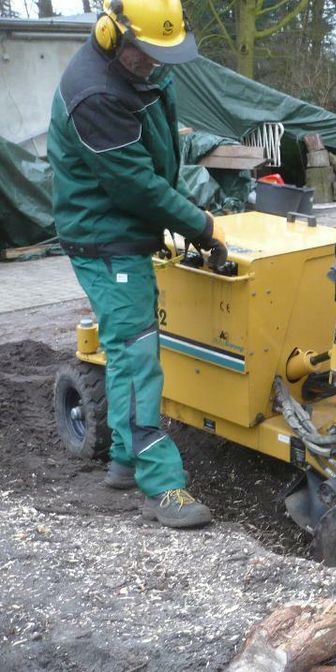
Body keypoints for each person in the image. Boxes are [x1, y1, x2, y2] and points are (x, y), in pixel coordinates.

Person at [47, 0, 225, 528]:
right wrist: (201, 224)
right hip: (105, 238)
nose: (154, 64)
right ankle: (160, 485)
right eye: (145, 54)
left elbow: (157, 158)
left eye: (162, 54)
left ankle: (125, 461)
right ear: (110, 33)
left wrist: (189, 216)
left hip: (126, 226)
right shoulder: (95, 93)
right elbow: (135, 185)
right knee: (135, 354)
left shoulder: (140, 70)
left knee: (134, 345)